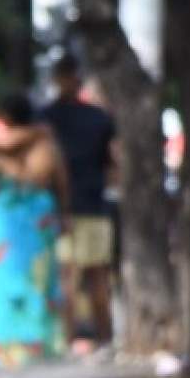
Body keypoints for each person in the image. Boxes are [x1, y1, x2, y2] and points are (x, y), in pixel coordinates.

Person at [0, 93, 66, 363]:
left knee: (33, 278)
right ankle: (12, 346)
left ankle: (28, 346)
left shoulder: (32, 141)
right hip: (14, 221)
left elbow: (41, 176)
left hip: (28, 219)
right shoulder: (37, 138)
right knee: (13, 278)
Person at [36, 56, 118, 349]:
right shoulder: (97, 118)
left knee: (77, 278)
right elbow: (113, 166)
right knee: (83, 278)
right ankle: (94, 339)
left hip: (74, 208)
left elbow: (111, 165)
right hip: (84, 207)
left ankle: (78, 340)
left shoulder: (46, 119)